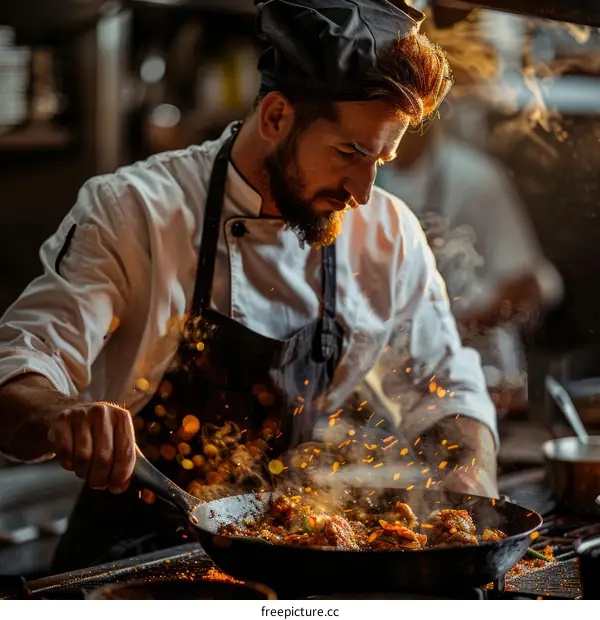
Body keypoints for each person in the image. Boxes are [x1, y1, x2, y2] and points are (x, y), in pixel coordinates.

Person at [0, 0, 497, 571]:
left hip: (291, 557)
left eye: (381, 160)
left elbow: (449, 381)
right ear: (276, 117)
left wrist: (469, 467)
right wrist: (61, 415)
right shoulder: (135, 211)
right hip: (134, 561)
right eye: (349, 153)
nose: (362, 191)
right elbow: (19, 365)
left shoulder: (388, 234)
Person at [374, 123, 563, 412]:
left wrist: (442, 334)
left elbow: (525, 284)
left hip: (482, 374)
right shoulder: (367, 177)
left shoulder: (475, 178)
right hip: (392, 381)